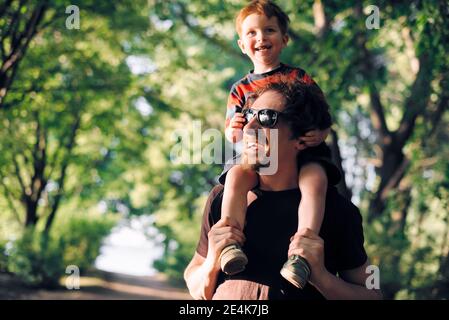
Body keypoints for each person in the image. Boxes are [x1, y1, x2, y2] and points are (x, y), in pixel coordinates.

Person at [184, 79, 383, 300]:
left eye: (266, 118)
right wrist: (212, 261)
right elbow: (193, 280)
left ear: (302, 137)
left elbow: (373, 293)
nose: (249, 128)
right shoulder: (221, 198)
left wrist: (322, 278)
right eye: (249, 116)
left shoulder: (337, 210)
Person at [219, 0, 337, 289]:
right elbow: (231, 131)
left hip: (301, 153)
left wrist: (320, 133)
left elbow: (322, 114)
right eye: (252, 33)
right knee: (236, 176)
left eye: (269, 30)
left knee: (315, 180)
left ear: (284, 39)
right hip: (259, 154)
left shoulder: (299, 78)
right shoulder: (239, 88)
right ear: (242, 45)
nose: (261, 38)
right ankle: (229, 243)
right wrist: (233, 130)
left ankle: (302, 251)